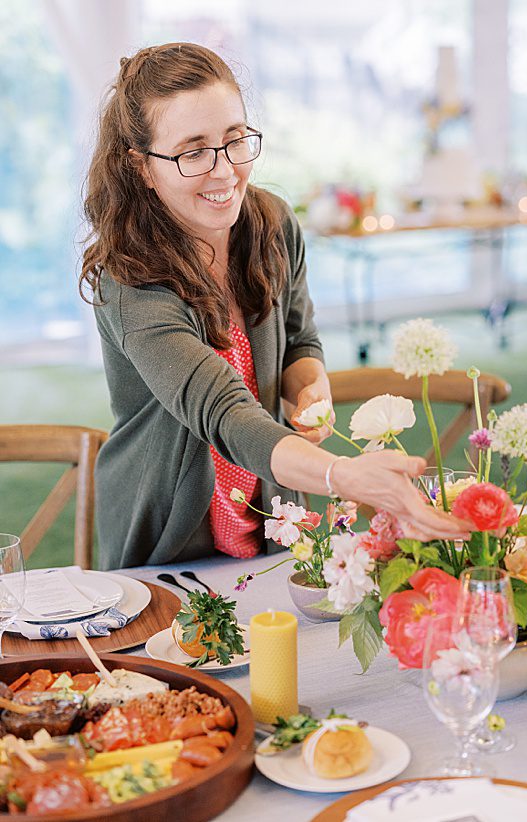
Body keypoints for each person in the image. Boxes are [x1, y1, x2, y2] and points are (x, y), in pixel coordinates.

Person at [79, 43, 469, 570]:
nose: (225, 171)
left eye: (235, 140)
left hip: (270, 516)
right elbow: (223, 411)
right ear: (142, 167)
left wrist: (308, 385)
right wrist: (343, 475)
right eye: (193, 152)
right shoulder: (127, 278)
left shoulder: (272, 224)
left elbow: (299, 338)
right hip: (164, 543)